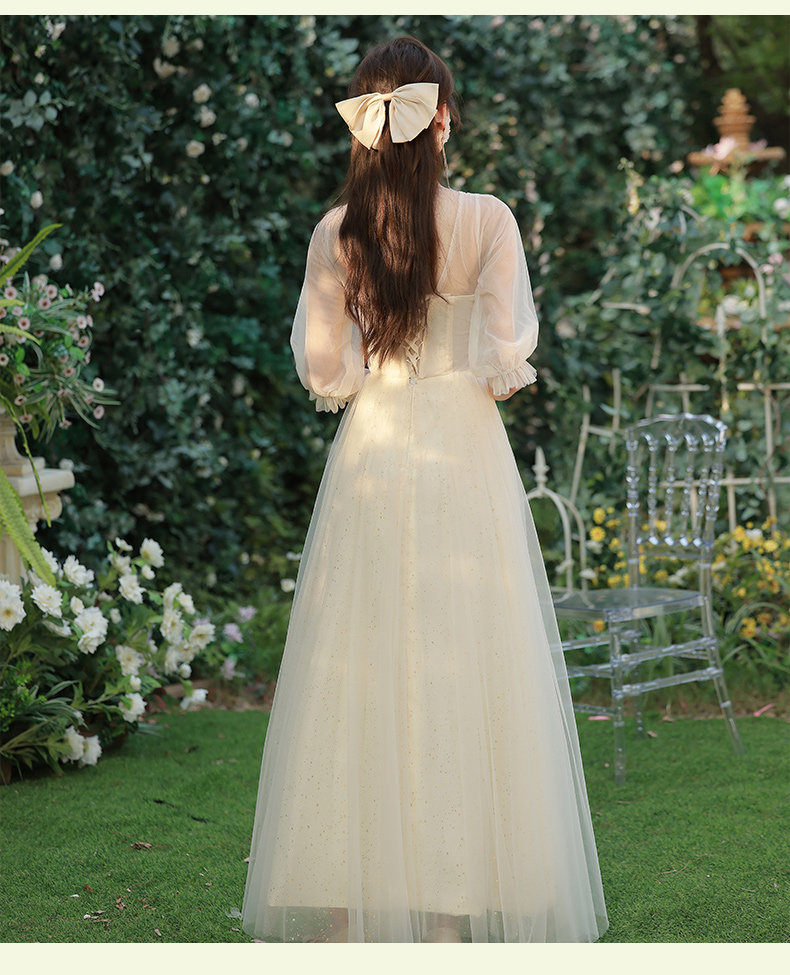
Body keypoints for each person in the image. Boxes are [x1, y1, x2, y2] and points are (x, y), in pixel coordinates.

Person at [241, 35, 608, 944]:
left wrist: (380, 361)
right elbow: (503, 357)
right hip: (462, 449)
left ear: (366, 123)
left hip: (375, 446)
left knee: (357, 663)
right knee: (464, 661)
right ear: (441, 118)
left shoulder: (339, 232)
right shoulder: (487, 220)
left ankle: (342, 908)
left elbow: (326, 369)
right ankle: (448, 914)